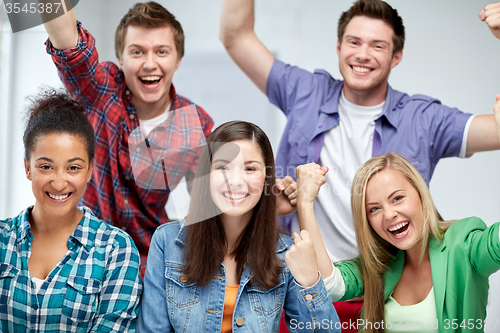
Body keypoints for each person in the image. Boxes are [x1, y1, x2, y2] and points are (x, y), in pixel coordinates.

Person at [219, 0, 500, 263]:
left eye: (378, 46)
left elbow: (496, 132)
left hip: (384, 290)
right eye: (354, 42)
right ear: (339, 46)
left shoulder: (423, 119)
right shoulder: (305, 92)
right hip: (297, 284)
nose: (363, 55)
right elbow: (236, 37)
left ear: (396, 56)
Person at [42, 1, 214, 275]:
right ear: (121, 58)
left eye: (161, 51)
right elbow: (68, 46)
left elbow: (211, 203)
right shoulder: (102, 89)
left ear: (178, 59)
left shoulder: (196, 124)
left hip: (146, 266)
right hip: (81, 258)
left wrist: (266, 200)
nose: (149, 63)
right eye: (137, 51)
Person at [137, 121, 339, 332]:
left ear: (267, 178)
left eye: (250, 168)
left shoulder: (285, 253)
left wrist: (309, 283)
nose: (235, 181)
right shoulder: (167, 242)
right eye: (223, 167)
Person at [296, 152, 500, 332]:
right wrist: (304, 202)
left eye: (397, 199)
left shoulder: (463, 243)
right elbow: (328, 286)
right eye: (374, 209)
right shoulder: (380, 265)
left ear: (420, 195)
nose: (389, 214)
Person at [0, 89, 142, 332]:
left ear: (89, 171)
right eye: (46, 166)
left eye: (73, 168)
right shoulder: (3, 240)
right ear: (27, 168)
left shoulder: (116, 250)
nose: (59, 182)